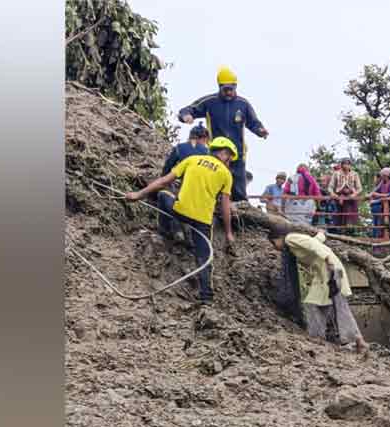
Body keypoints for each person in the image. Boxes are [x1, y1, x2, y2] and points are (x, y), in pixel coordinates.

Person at [124, 137, 237, 304]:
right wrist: (228, 233)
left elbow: (163, 182)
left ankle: (166, 231)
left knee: (164, 195)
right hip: (203, 221)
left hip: (180, 211)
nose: (229, 161)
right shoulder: (226, 174)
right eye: (230, 157)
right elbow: (225, 206)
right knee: (205, 258)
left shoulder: (192, 160)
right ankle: (206, 296)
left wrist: (138, 195)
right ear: (224, 153)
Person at [268, 227, 369, 353]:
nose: (274, 247)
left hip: (328, 269)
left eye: (273, 243)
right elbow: (315, 241)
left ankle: (323, 338)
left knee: (336, 304)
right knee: (321, 304)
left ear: (278, 238)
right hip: (322, 273)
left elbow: (312, 244)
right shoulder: (293, 244)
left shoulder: (290, 238)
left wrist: (327, 259)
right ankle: (321, 337)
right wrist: (321, 234)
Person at [177, 67, 268, 201]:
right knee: (214, 187)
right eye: (225, 89)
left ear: (235, 86)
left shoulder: (243, 104)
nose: (229, 92)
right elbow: (188, 109)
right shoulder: (210, 102)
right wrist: (186, 116)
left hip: (237, 155)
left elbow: (253, 122)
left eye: (231, 89)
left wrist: (260, 131)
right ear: (219, 87)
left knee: (238, 192)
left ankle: (240, 218)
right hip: (216, 154)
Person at [327, 159, 363, 232]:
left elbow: (359, 188)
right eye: (344, 164)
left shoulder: (355, 174)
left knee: (351, 217)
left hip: (351, 198)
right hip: (339, 197)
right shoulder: (336, 173)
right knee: (338, 216)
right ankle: (339, 231)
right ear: (341, 165)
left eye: (348, 164)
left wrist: (354, 194)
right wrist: (333, 194)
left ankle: (350, 231)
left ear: (350, 165)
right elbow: (330, 187)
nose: (346, 165)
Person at [368, 168, 390, 239]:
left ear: (387, 175)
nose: (382, 177)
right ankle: (377, 238)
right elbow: (374, 191)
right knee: (379, 224)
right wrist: (370, 195)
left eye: (383, 175)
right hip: (382, 205)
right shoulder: (382, 182)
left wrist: (379, 195)